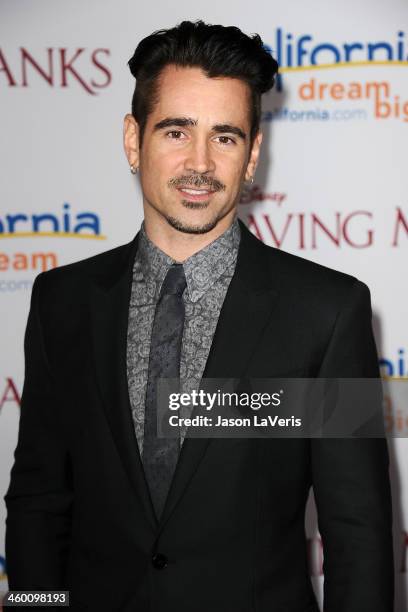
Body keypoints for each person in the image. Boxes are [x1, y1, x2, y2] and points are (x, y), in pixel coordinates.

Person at [4, 20, 393, 612]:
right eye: (177, 131)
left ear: (253, 155)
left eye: (226, 137)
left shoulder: (327, 312)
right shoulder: (64, 300)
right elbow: (39, 501)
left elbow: (358, 531)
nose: (201, 163)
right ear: (133, 141)